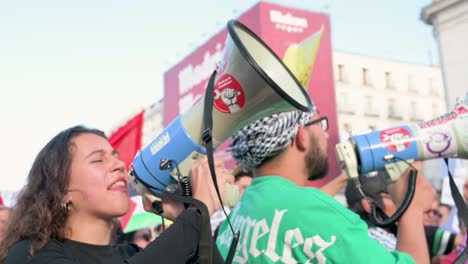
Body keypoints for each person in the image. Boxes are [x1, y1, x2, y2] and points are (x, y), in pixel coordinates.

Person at [216, 108, 436, 263]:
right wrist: (411, 208)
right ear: (301, 135)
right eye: (320, 124)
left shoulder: (237, 212)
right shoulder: (312, 210)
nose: (326, 134)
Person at [0, 125, 231, 263]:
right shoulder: (31, 255)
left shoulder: (129, 252)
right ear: (61, 190)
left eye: (115, 155)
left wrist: (186, 215)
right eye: (98, 159)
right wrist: (197, 213)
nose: (119, 165)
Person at [345, 171, 399, 251]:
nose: (400, 201)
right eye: (391, 195)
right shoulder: (381, 244)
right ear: (369, 205)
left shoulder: (355, 237)